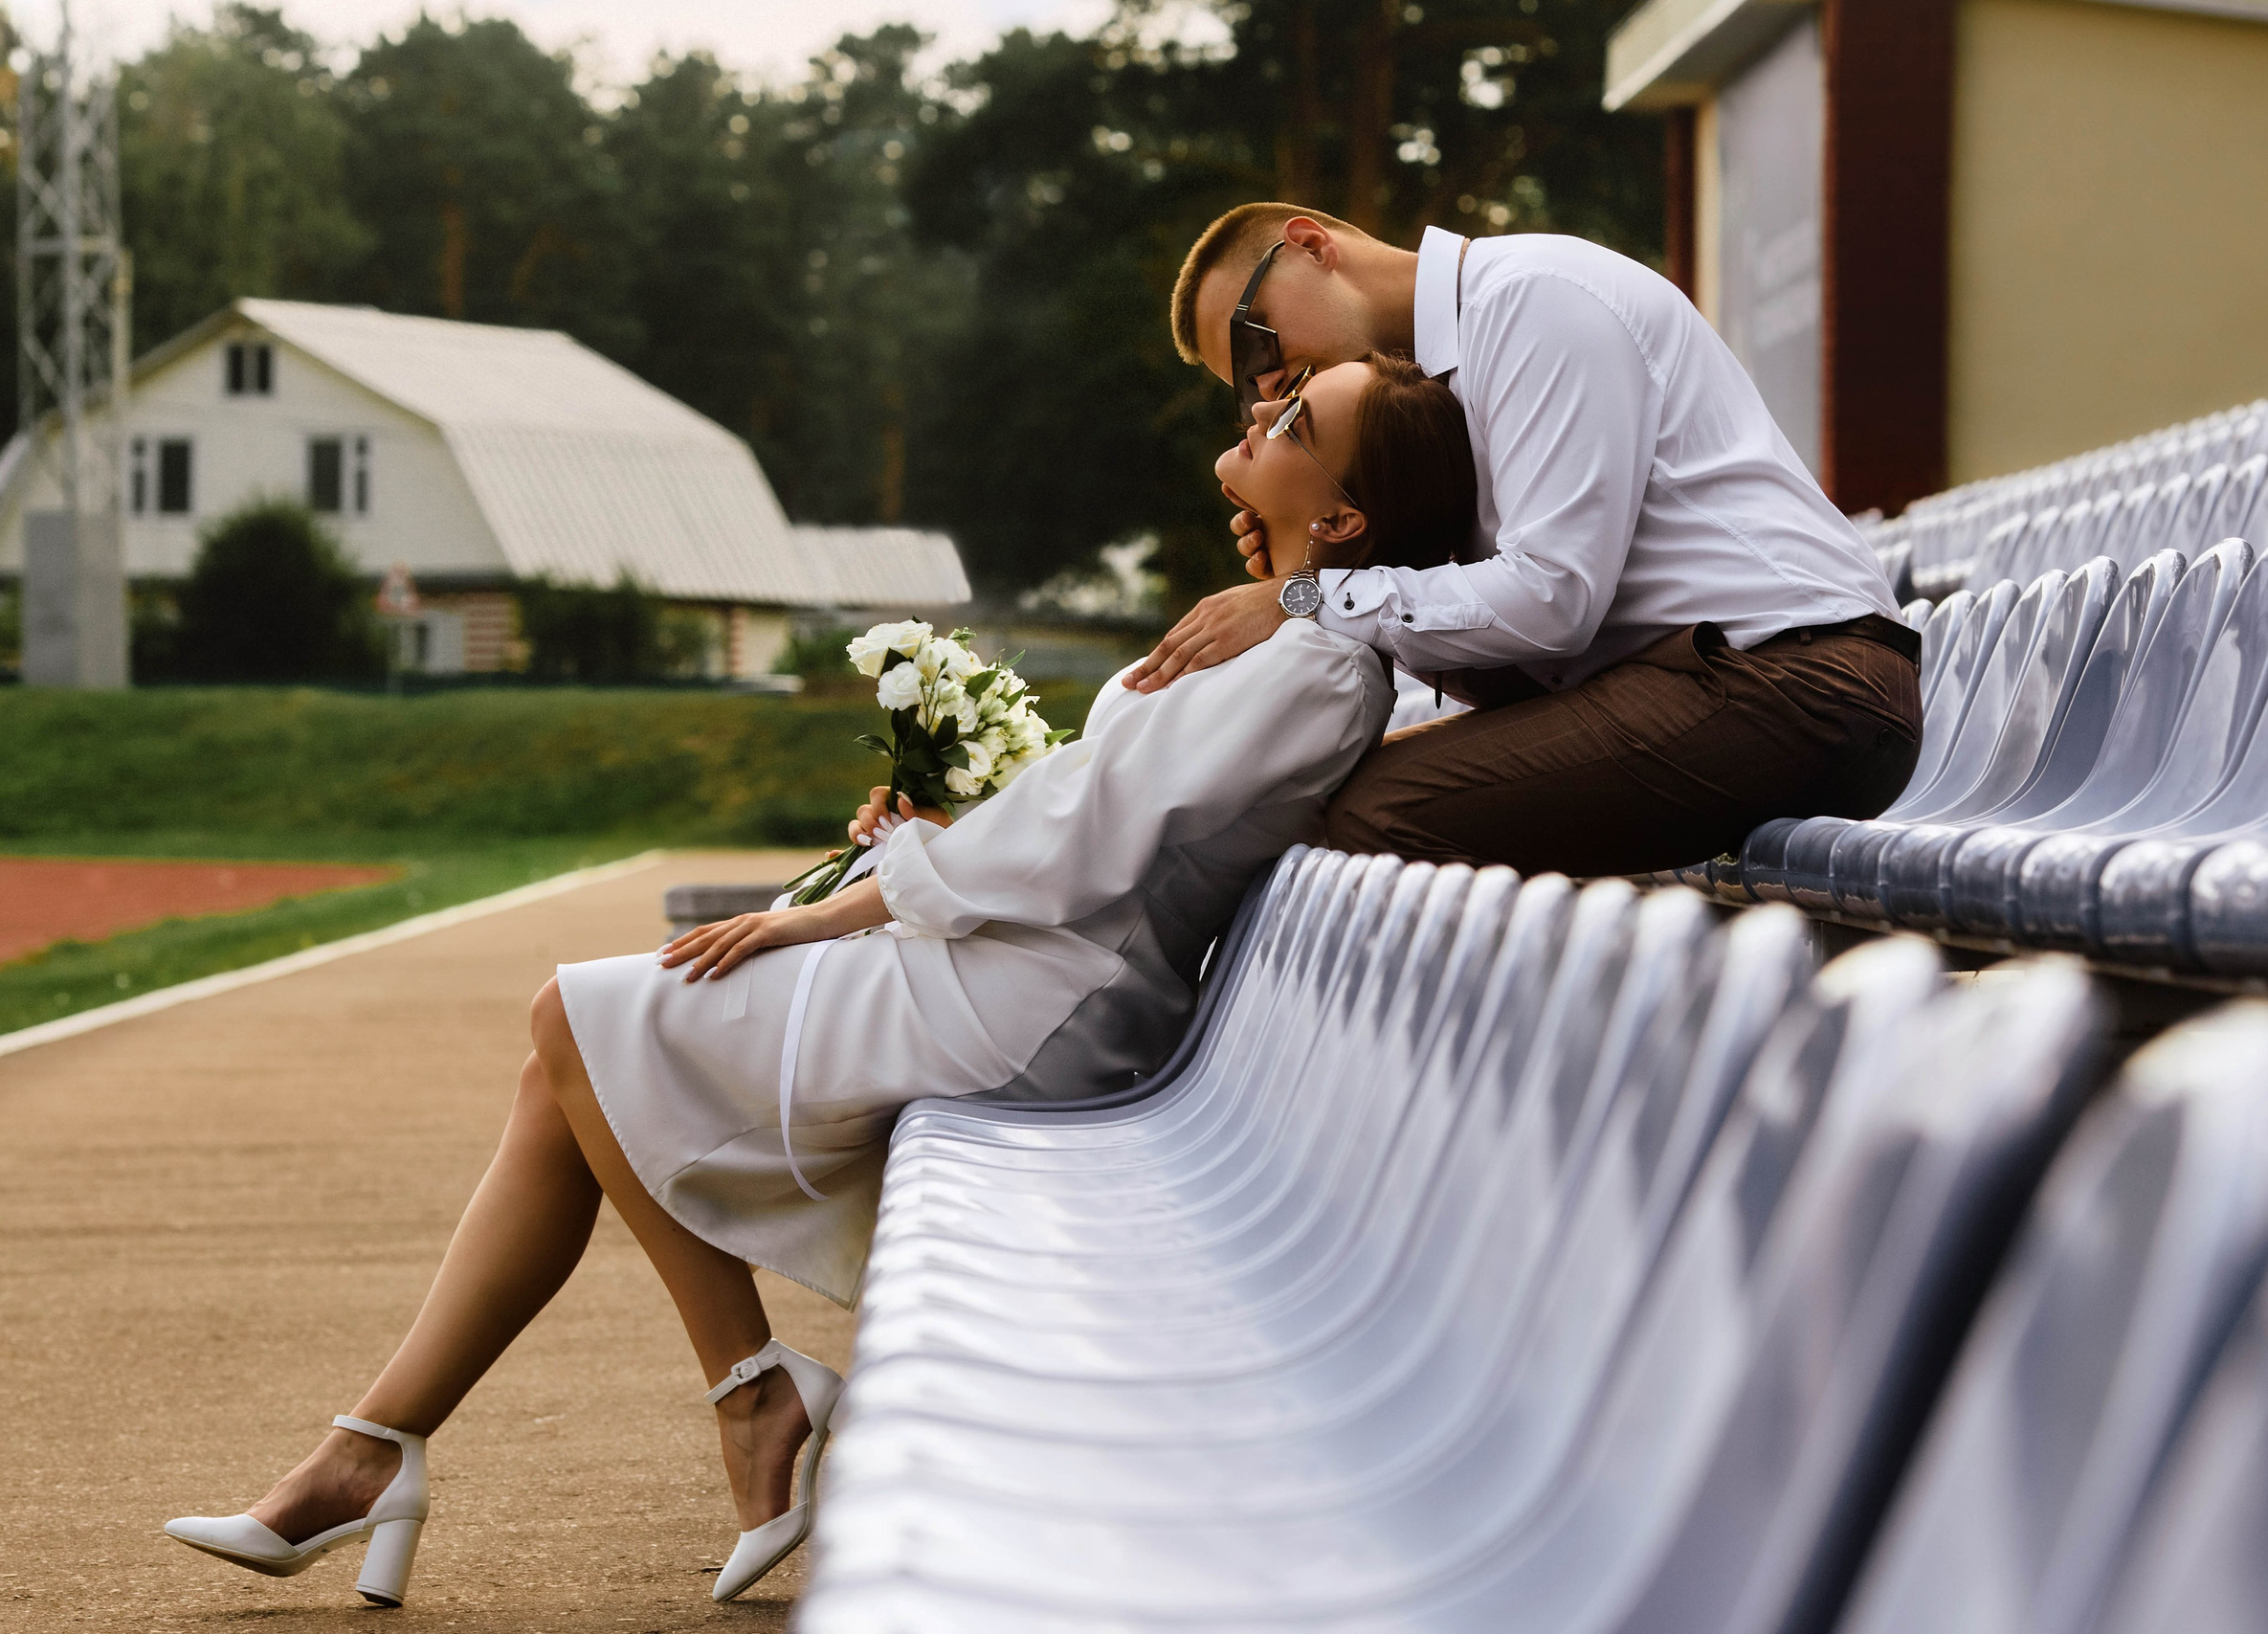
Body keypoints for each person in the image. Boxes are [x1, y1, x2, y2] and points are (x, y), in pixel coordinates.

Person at [160, 354, 1471, 1608]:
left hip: (1044, 998)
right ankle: (382, 1443)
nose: (1272, 406)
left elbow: (1091, 840)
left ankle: (718, 1397)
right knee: (562, 1065)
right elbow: (1088, 806)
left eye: (1301, 421)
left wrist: (845, 906)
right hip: (1023, 957)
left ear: (1346, 512)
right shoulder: (1274, 632)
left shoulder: (1311, 662)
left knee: (573, 1021)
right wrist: (925, 835)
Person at [1128, 203, 1925, 878]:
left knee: (1373, 820)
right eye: (1241, 385)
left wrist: (1302, 597)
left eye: (1255, 342)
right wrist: (1322, 557)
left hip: (1798, 677)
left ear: (1311, 245)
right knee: (1324, 806)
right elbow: (1526, 663)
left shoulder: (1532, 300)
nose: (1264, 385)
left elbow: (1555, 598)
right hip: (1712, 678)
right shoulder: (1435, 391)